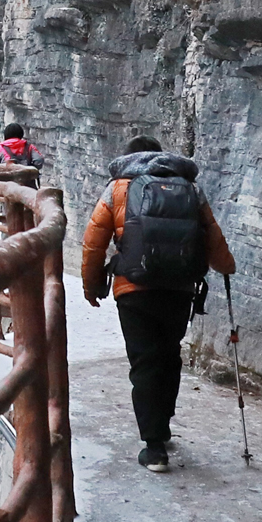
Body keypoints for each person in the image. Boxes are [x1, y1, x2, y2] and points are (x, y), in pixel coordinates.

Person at [80, 135, 234, 472]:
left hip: (133, 290)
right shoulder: (190, 188)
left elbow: (94, 242)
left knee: (144, 361)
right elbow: (211, 232)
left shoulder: (117, 188)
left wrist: (92, 286)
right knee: (169, 355)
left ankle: (153, 447)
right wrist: (226, 265)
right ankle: (161, 426)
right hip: (179, 288)